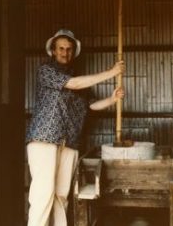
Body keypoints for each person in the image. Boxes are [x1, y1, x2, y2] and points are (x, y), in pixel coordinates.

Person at [26, 29, 125, 226]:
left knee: (61, 197)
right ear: (53, 51)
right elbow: (74, 84)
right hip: (44, 139)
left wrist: (112, 99)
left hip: (69, 142)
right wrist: (111, 72)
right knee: (43, 195)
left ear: (73, 52)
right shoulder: (46, 71)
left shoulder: (76, 77)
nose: (65, 52)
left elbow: (90, 105)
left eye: (69, 49)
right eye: (61, 48)